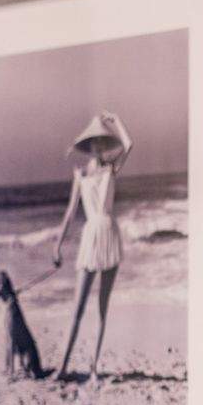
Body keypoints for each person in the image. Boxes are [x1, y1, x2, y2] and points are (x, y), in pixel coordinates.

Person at [52, 110, 133, 383]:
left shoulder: (111, 168)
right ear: (88, 146)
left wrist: (116, 119)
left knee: (102, 307)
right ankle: (62, 368)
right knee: (77, 308)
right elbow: (70, 213)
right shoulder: (80, 175)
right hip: (90, 237)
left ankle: (94, 368)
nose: (98, 145)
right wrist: (57, 245)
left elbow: (129, 144)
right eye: (94, 141)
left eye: (102, 140)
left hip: (109, 234)